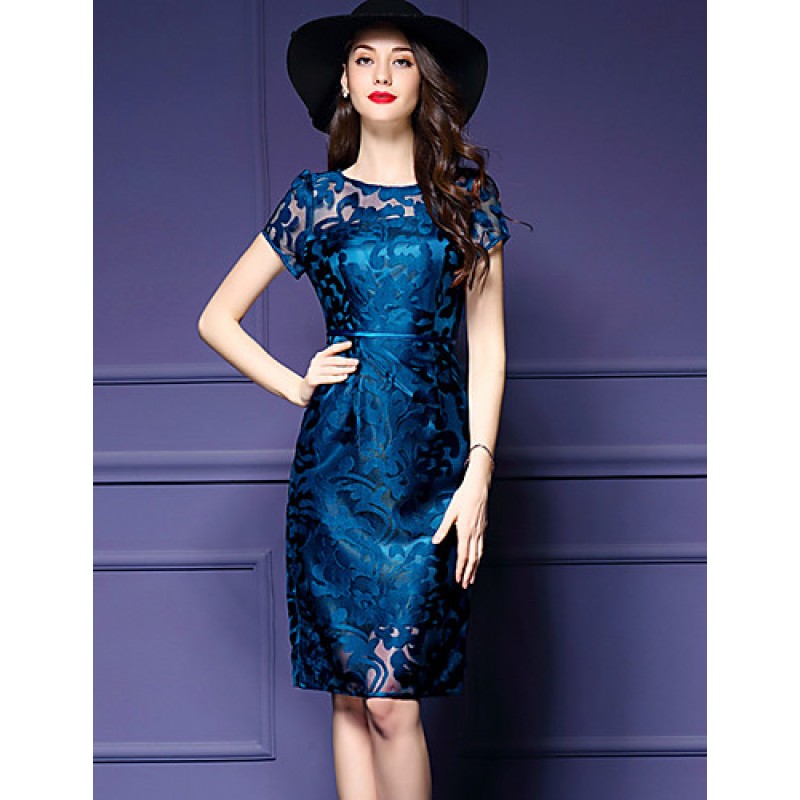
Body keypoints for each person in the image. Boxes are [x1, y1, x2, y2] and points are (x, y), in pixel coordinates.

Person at [197, 1, 511, 798]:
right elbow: (217, 317)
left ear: (423, 80)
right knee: (350, 695)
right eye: (364, 59)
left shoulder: (466, 197)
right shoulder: (315, 200)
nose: (381, 74)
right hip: (337, 473)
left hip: (432, 472)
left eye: (401, 60)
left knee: (393, 706)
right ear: (342, 80)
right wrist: (295, 383)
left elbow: (489, 348)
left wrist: (478, 471)